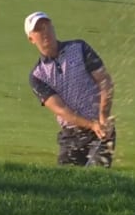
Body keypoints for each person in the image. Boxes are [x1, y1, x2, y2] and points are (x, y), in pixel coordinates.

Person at [25, 11, 116, 167]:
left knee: (97, 178)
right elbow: (61, 110)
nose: (45, 32)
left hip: (101, 128)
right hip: (71, 135)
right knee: (66, 183)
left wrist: (103, 116)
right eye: (39, 29)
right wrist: (90, 125)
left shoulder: (79, 48)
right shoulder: (37, 76)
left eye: (47, 26)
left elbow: (104, 81)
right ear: (31, 39)